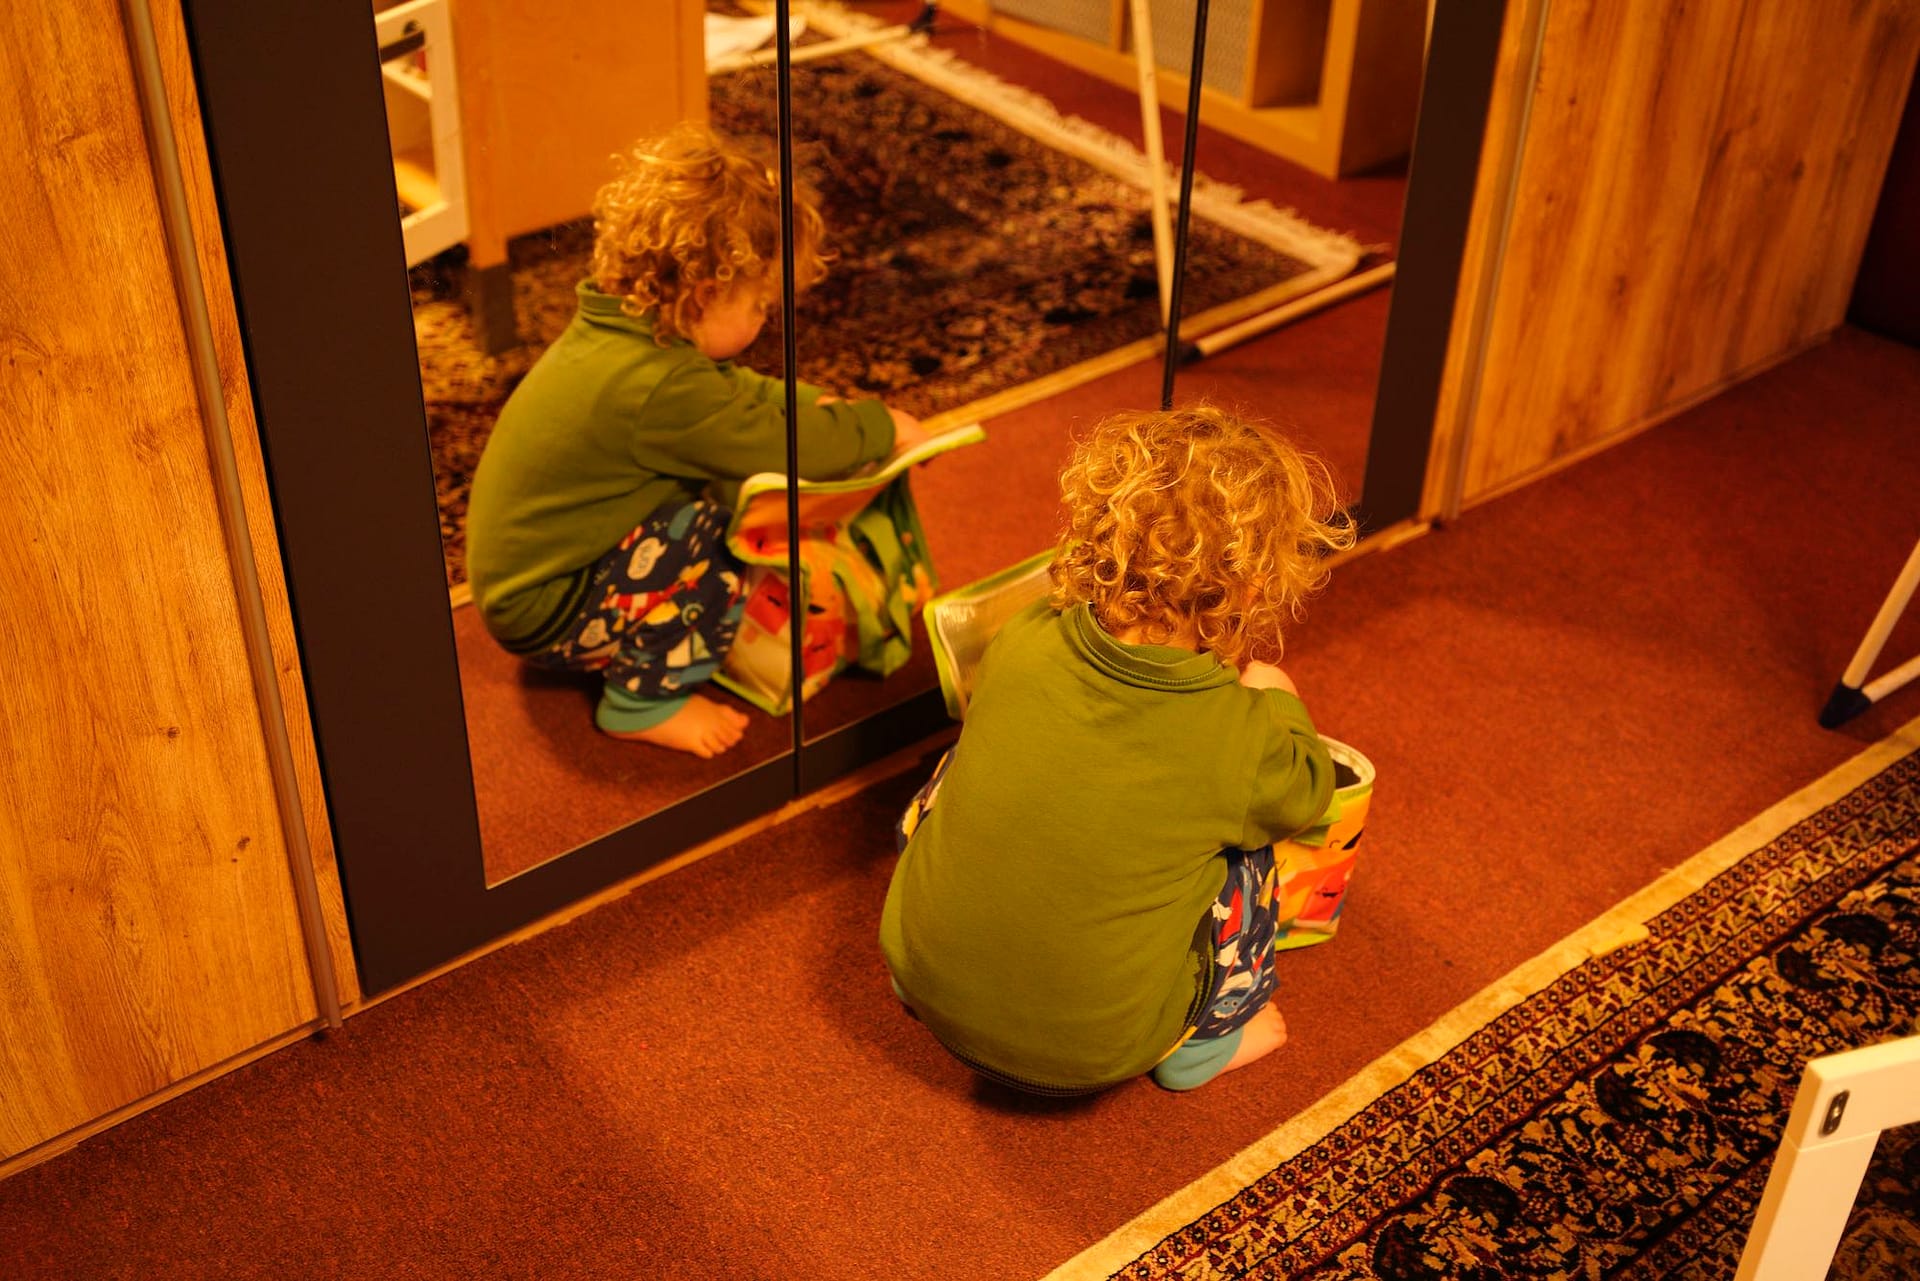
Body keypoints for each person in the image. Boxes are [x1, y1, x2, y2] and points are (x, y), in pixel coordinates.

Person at [879, 404, 1356, 1093]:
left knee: (969, 761)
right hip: (1095, 1048)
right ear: (1254, 587)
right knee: (1248, 842)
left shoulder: (1026, 634)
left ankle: (943, 959)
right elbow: (1309, 793)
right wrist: (1277, 694)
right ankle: (1204, 1040)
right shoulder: (1243, 737)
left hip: (919, 975)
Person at [465, 123, 928, 758]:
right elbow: (781, 446)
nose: (764, 320)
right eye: (760, 306)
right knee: (722, 531)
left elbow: (732, 388)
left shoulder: (629, 335)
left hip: (530, 582)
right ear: (707, 295)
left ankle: (635, 629)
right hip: (548, 610)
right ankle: (640, 703)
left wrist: (811, 402)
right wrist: (878, 426)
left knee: (702, 494)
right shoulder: (662, 388)